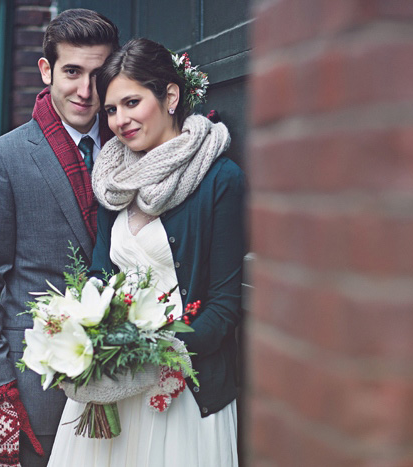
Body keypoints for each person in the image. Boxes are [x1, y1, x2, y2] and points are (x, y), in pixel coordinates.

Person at [47, 38, 245, 467]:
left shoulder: (218, 180)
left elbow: (225, 306)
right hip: (115, 384)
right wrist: (83, 330)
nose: (120, 120)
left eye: (132, 102)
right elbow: (99, 273)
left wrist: (159, 350)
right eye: (111, 110)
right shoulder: (113, 182)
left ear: (170, 96)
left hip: (183, 391)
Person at [0, 9, 119, 467]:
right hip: (35, 398)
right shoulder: (1, 160)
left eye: (98, 74)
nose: (85, 90)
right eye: (72, 72)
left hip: (126, 389)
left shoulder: (133, 150)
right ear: (46, 71)